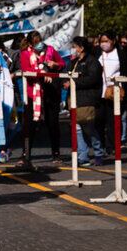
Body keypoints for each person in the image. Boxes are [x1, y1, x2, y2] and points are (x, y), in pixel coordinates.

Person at [17, 30, 64, 167]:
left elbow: (62, 64)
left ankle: (56, 153)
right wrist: (43, 73)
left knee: (53, 123)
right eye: (36, 43)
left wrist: (54, 66)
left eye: (40, 42)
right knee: (30, 125)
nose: (39, 45)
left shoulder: (50, 50)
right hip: (33, 93)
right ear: (31, 43)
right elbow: (27, 71)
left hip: (50, 92)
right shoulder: (25, 54)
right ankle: (26, 154)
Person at [67, 37, 104, 166]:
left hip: (87, 99)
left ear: (81, 48)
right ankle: (83, 156)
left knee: (89, 128)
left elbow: (92, 79)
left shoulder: (92, 62)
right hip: (75, 100)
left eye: (75, 46)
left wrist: (74, 82)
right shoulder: (74, 62)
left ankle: (99, 152)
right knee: (77, 129)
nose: (73, 49)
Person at [96, 32, 127, 152]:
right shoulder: (97, 53)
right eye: (102, 41)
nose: (104, 44)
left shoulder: (121, 54)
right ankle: (100, 145)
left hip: (114, 91)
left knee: (112, 120)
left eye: (106, 40)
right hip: (99, 91)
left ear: (113, 41)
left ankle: (111, 146)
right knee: (99, 120)